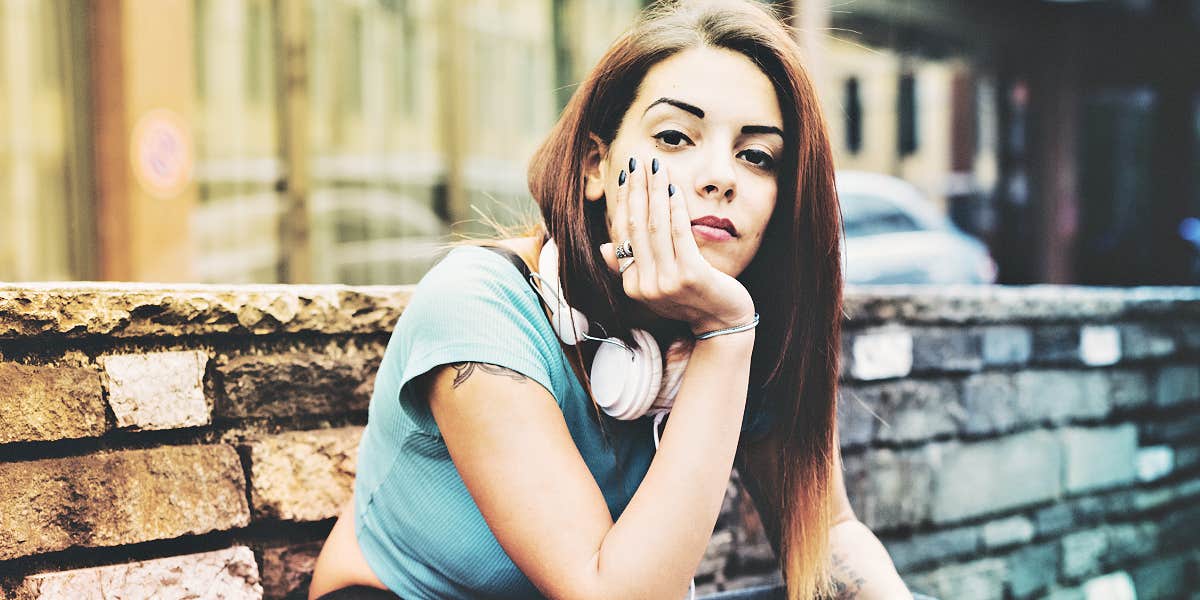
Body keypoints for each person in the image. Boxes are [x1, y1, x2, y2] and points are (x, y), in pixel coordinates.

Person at [309, 1, 913, 598]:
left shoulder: (740, 317)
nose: (720, 176)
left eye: (757, 156)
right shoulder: (476, 305)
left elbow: (829, 532)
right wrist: (725, 338)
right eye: (676, 137)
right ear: (597, 165)